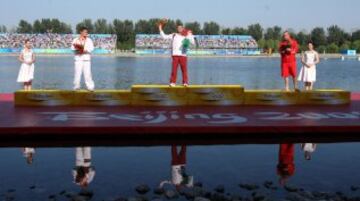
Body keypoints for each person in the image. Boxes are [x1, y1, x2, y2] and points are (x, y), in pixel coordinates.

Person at [159, 20, 195, 87]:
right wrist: (160, 27)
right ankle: (172, 82)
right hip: (175, 55)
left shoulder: (187, 35)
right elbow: (164, 36)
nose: (179, 29)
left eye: (180, 28)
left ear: (183, 28)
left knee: (184, 70)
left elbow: (193, 43)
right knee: (174, 69)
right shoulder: (174, 35)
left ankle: (185, 83)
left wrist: (190, 34)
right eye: (178, 28)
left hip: (183, 55)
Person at [71, 27, 95, 91]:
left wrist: (85, 50)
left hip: (86, 59)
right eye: (85, 32)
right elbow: (72, 48)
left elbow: (92, 48)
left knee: (88, 74)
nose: (86, 33)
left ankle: (90, 87)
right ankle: (76, 87)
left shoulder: (89, 40)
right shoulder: (75, 40)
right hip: (78, 59)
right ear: (81, 32)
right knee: (77, 73)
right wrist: (78, 50)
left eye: (87, 32)